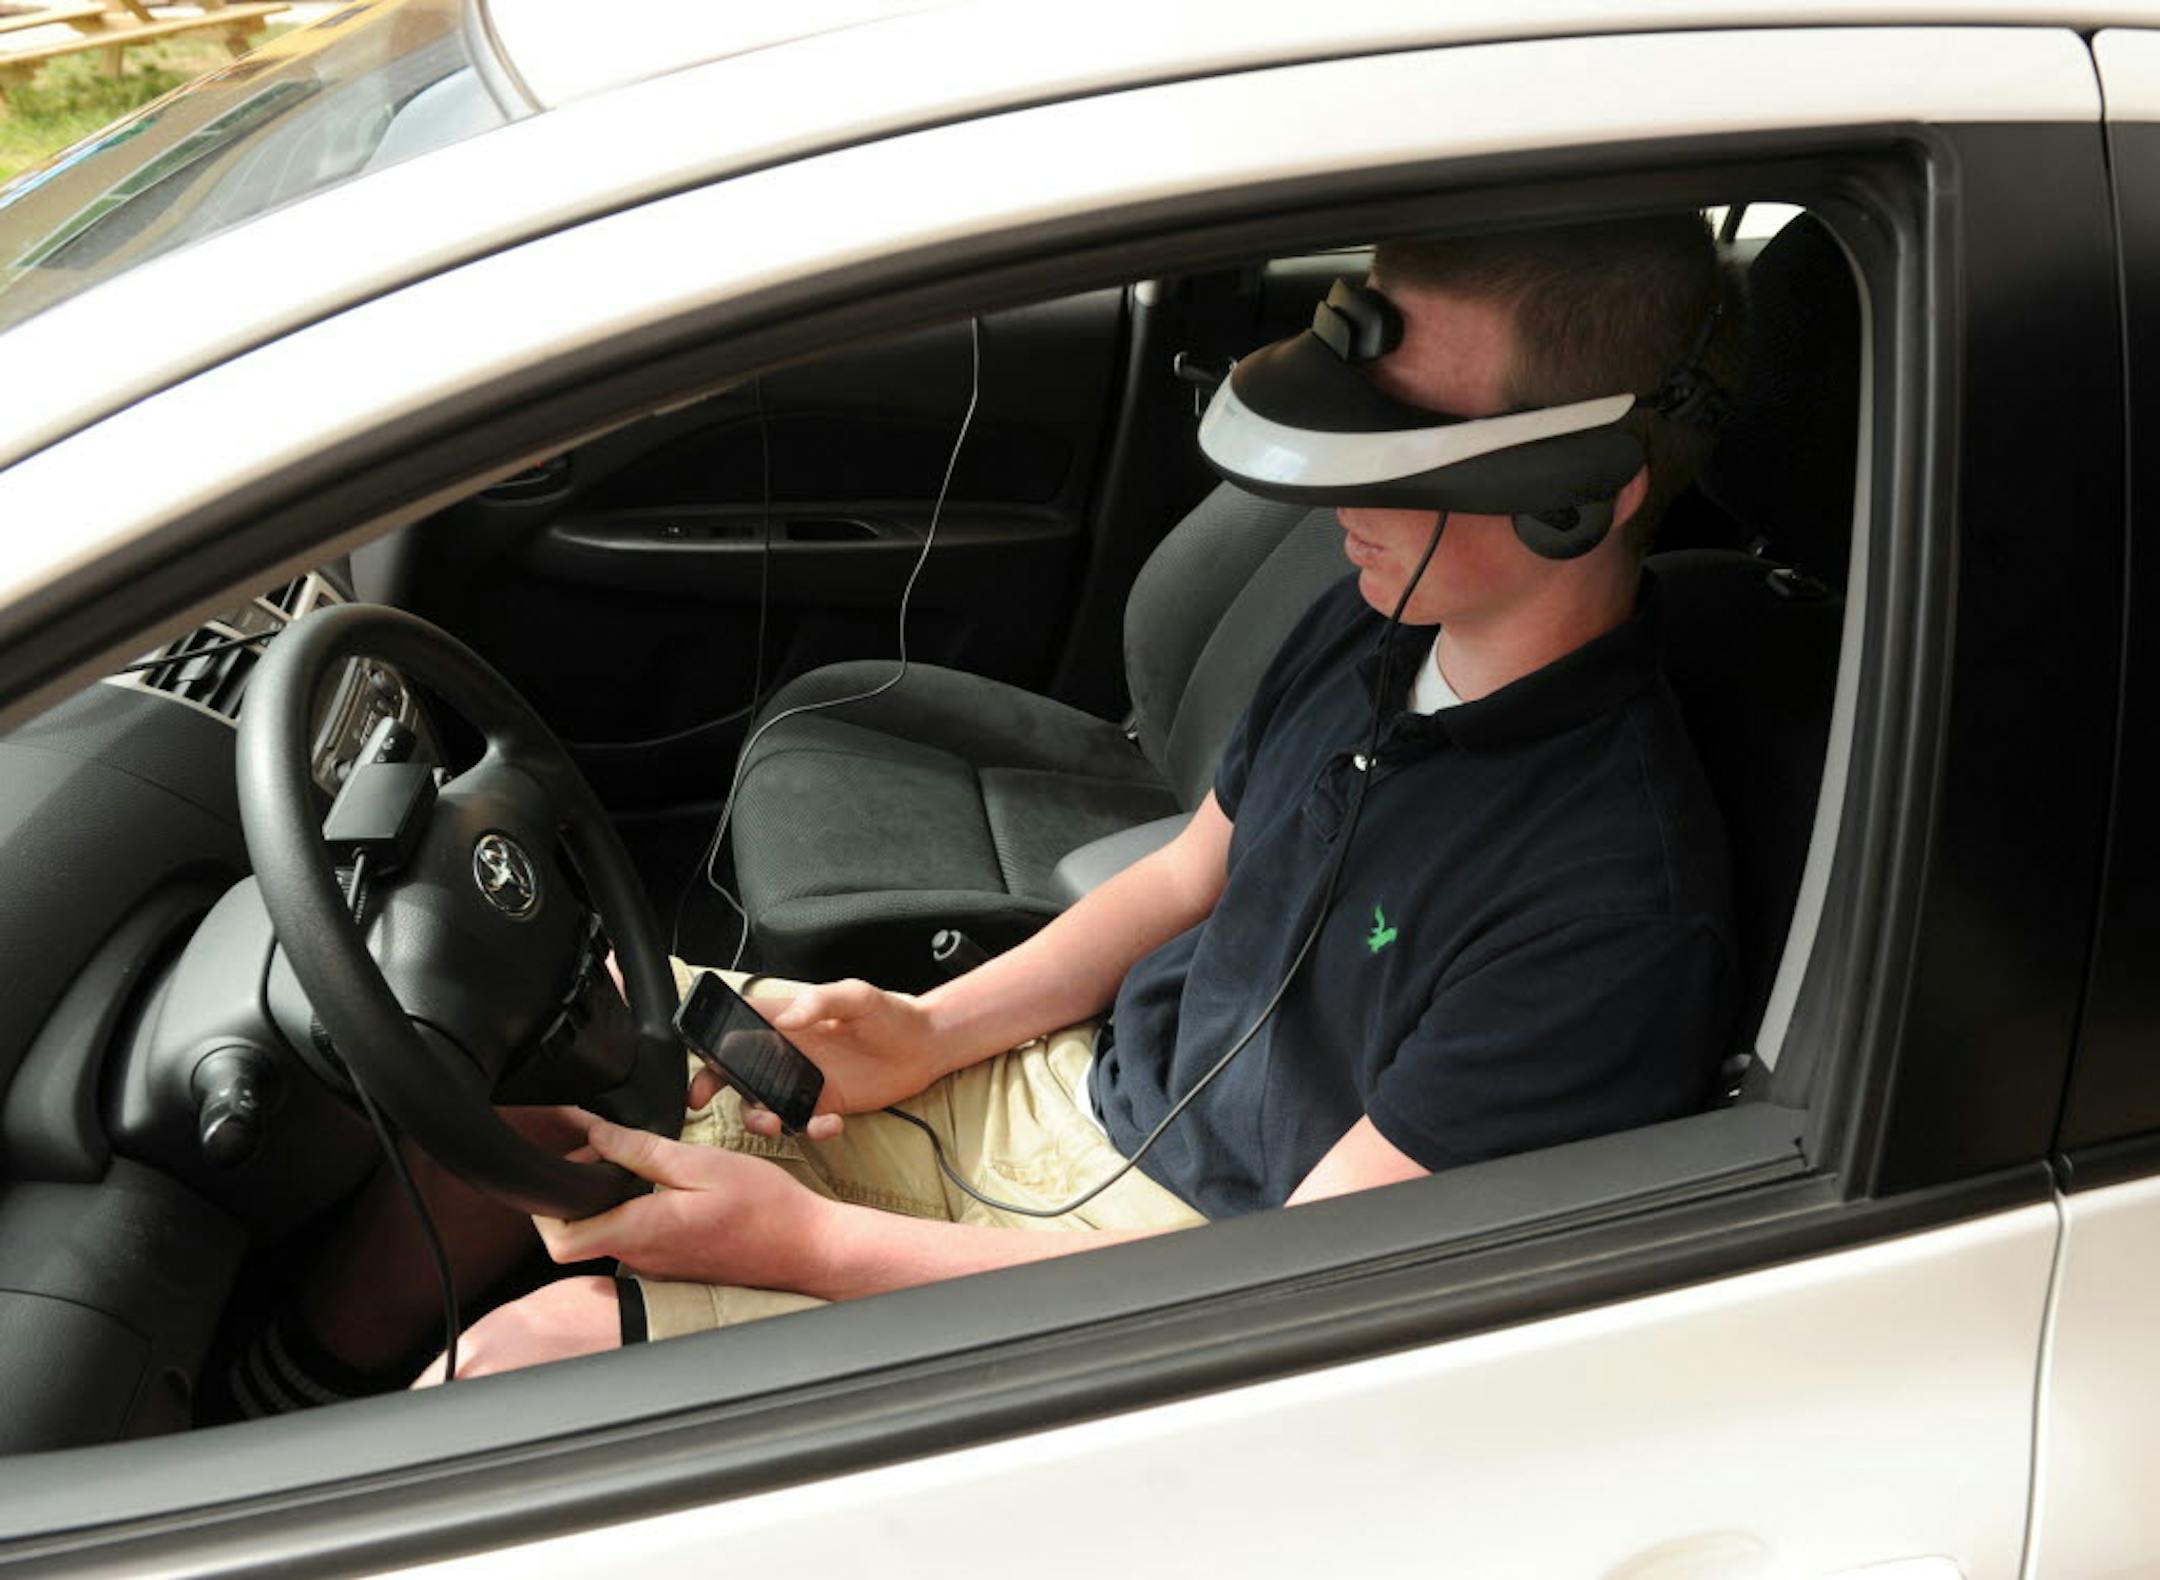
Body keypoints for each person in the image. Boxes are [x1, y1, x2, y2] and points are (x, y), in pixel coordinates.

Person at [227, 213, 1743, 1411]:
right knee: (539, 1049)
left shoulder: (1609, 907)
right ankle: (264, 1400)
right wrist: (927, 1033)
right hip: (1067, 1097)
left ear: (1581, 493)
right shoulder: (1378, 615)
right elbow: (1186, 879)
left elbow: (1280, 1299)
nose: (1335, 487)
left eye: (1400, 454)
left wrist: (806, 1245)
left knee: (516, 1367)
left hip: (1173, 1268)